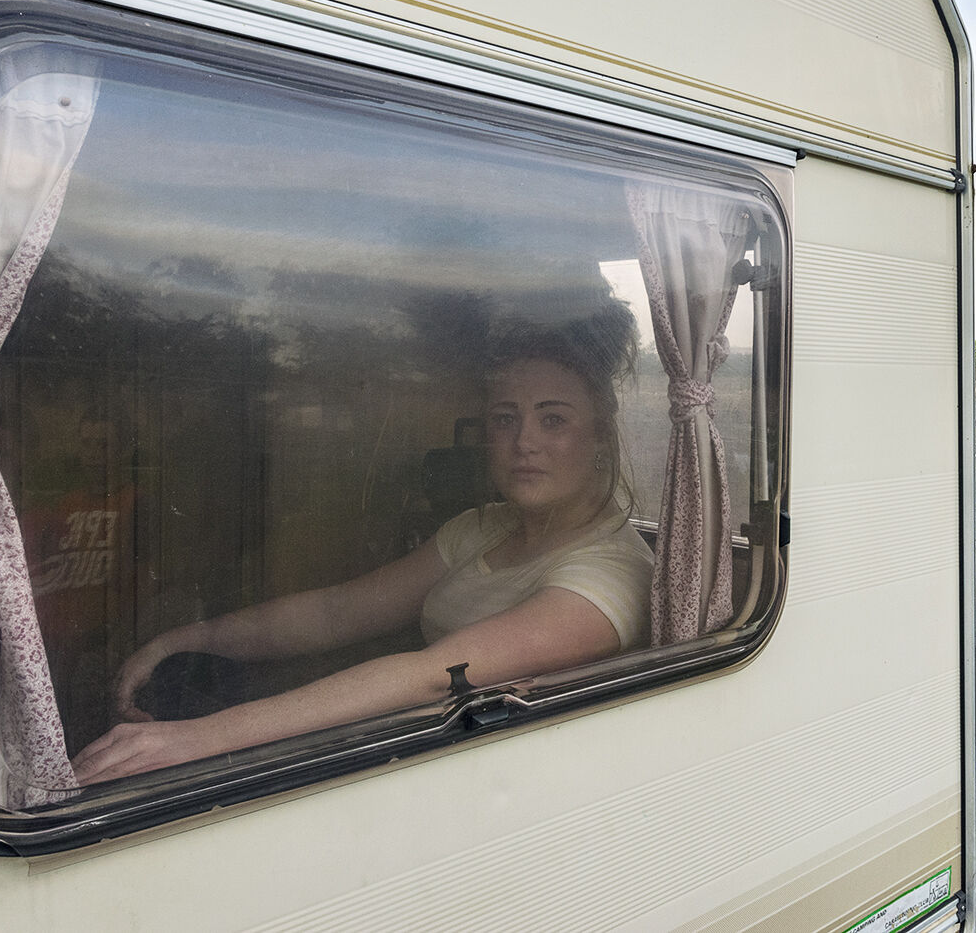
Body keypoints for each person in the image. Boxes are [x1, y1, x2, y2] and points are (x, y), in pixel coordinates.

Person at [72, 301, 653, 785]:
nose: (524, 441)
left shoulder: (611, 573)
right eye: (505, 418)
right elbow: (336, 611)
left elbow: (429, 675)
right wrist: (189, 638)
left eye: (553, 420)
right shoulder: (483, 527)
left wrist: (193, 741)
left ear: (600, 432)